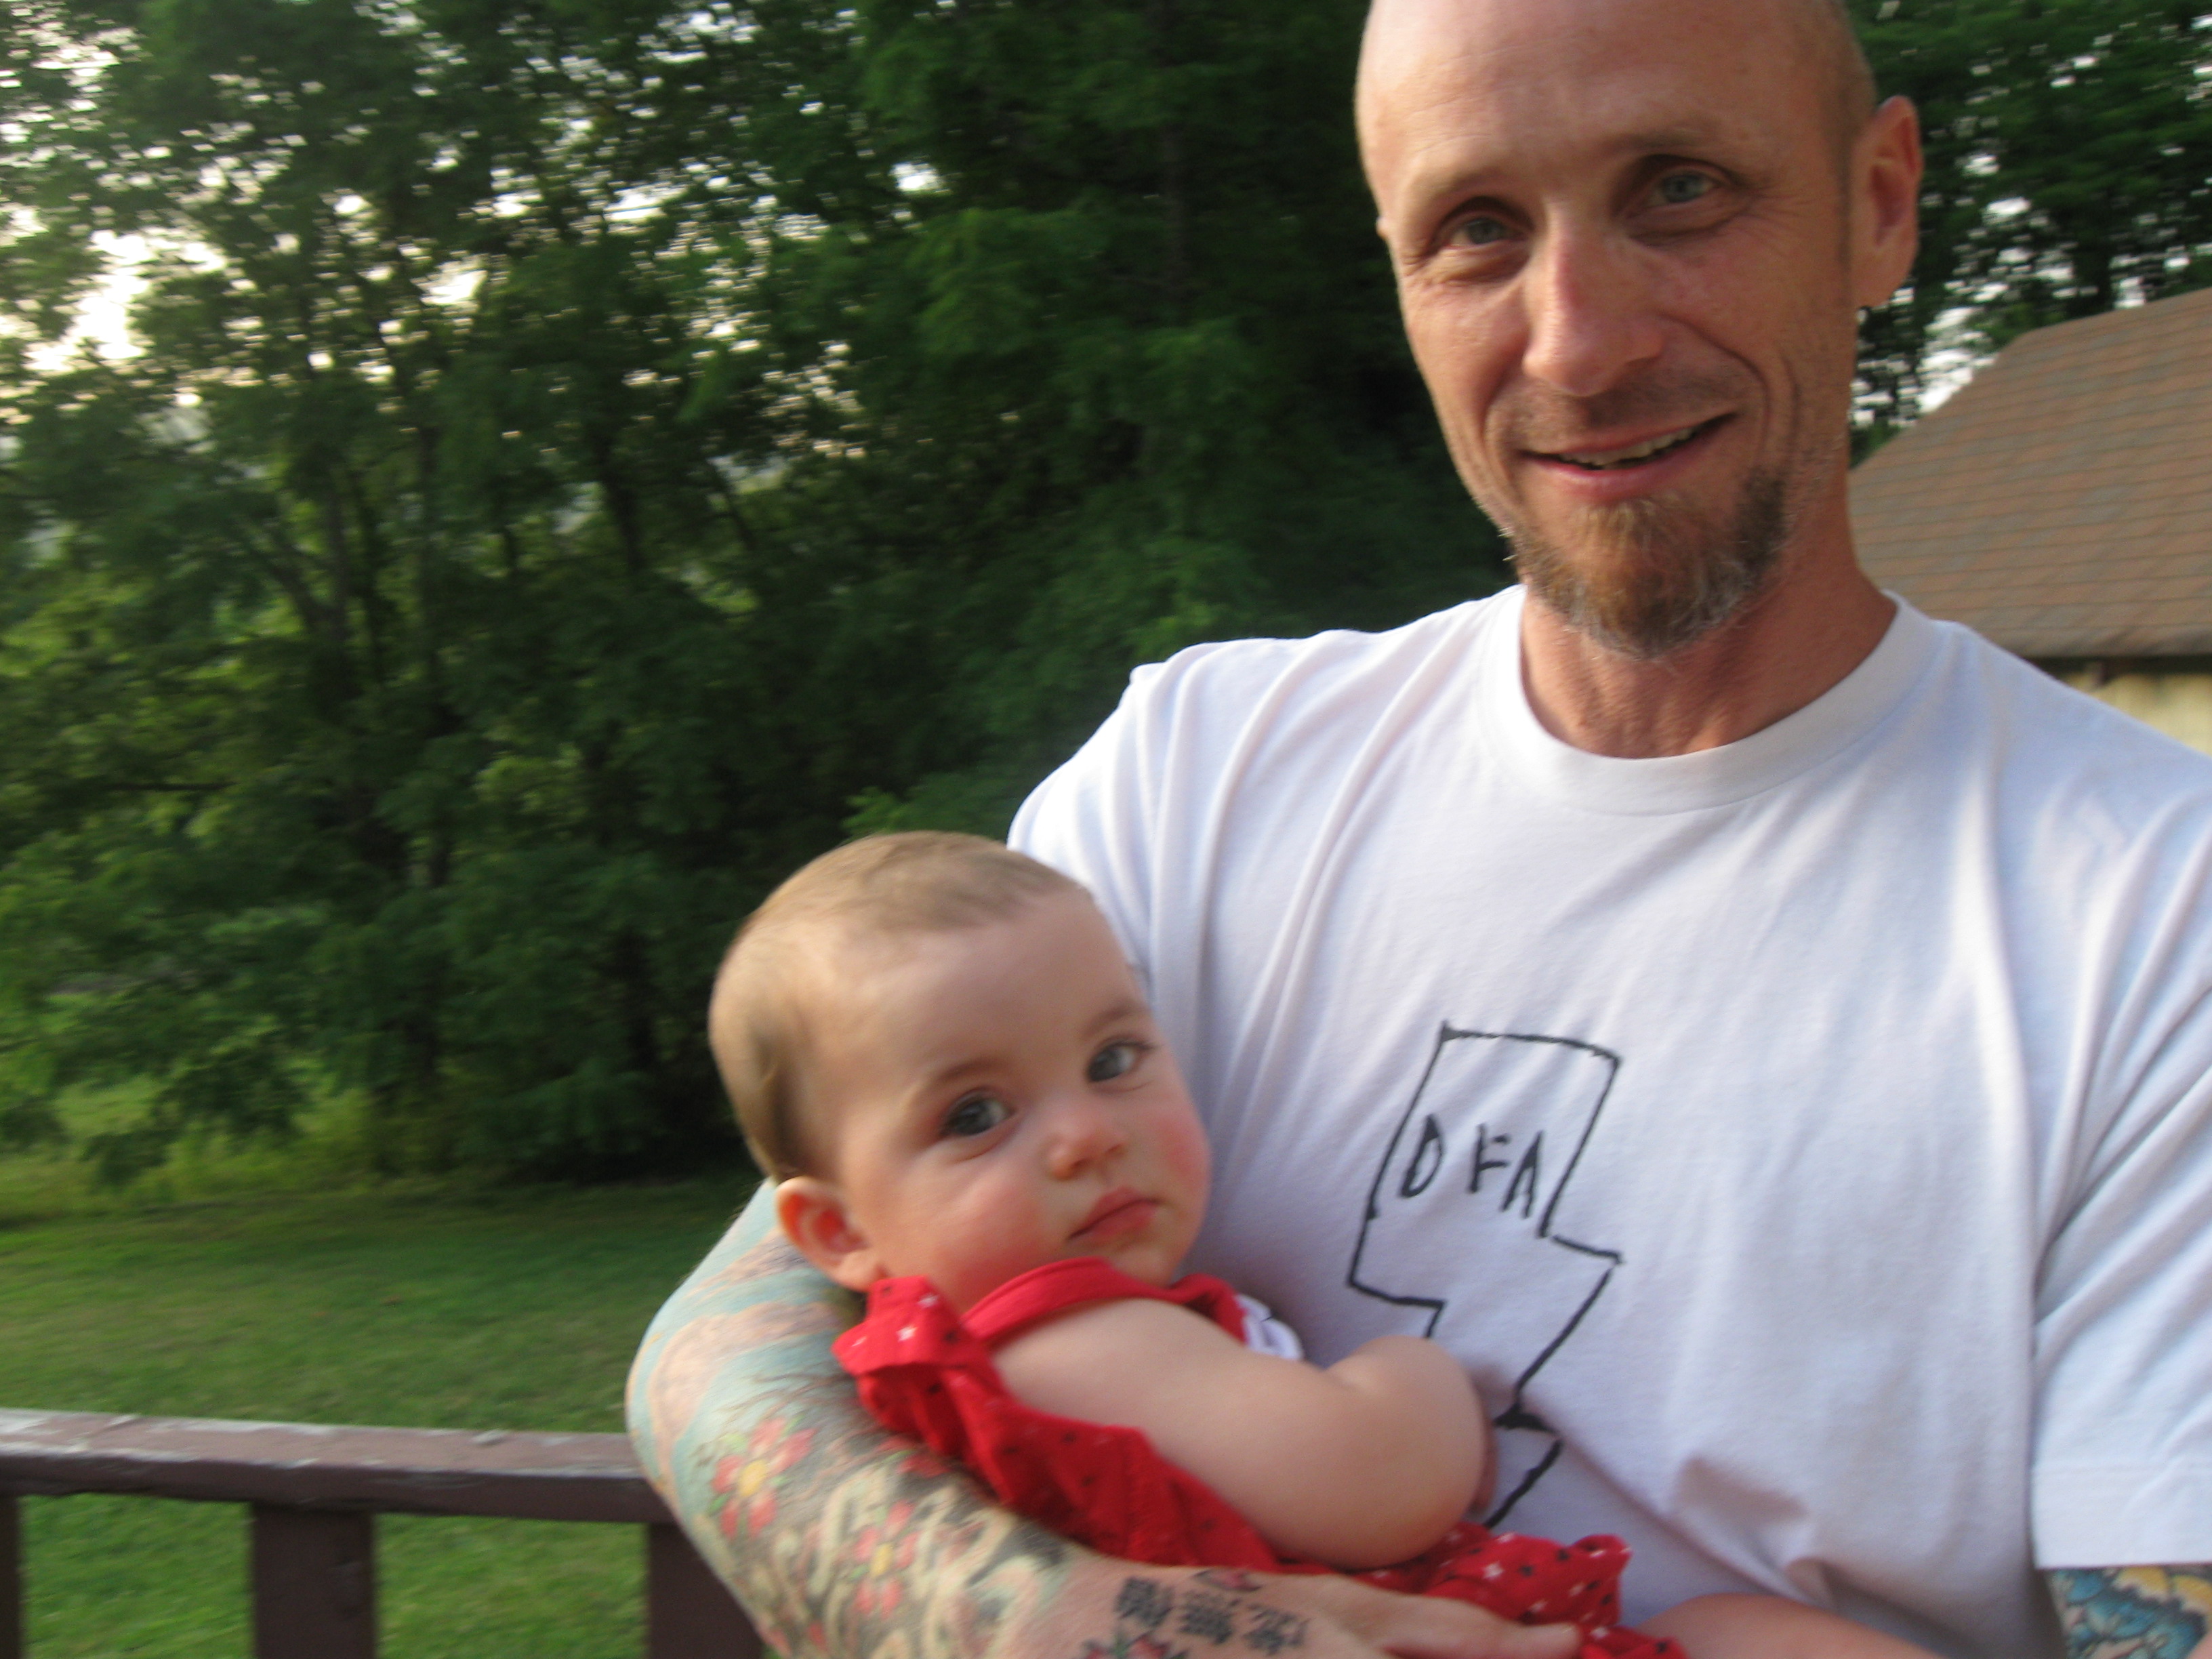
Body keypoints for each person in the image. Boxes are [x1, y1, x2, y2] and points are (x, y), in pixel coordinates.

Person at [627, 2, 2212, 1657]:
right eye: (1476, 229)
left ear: (1878, 204)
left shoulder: (2158, 912)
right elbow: (723, 1355)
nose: (1578, 344)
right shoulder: (1198, 776)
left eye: (1679, 190)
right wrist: (1077, 1628)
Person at [703, 830, 1921, 1658]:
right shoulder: (1070, 1339)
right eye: (975, 1116)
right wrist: (1418, 1375)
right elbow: (1383, 1487)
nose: (1086, 1135)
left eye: (1115, 1059)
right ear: (839, 1229)